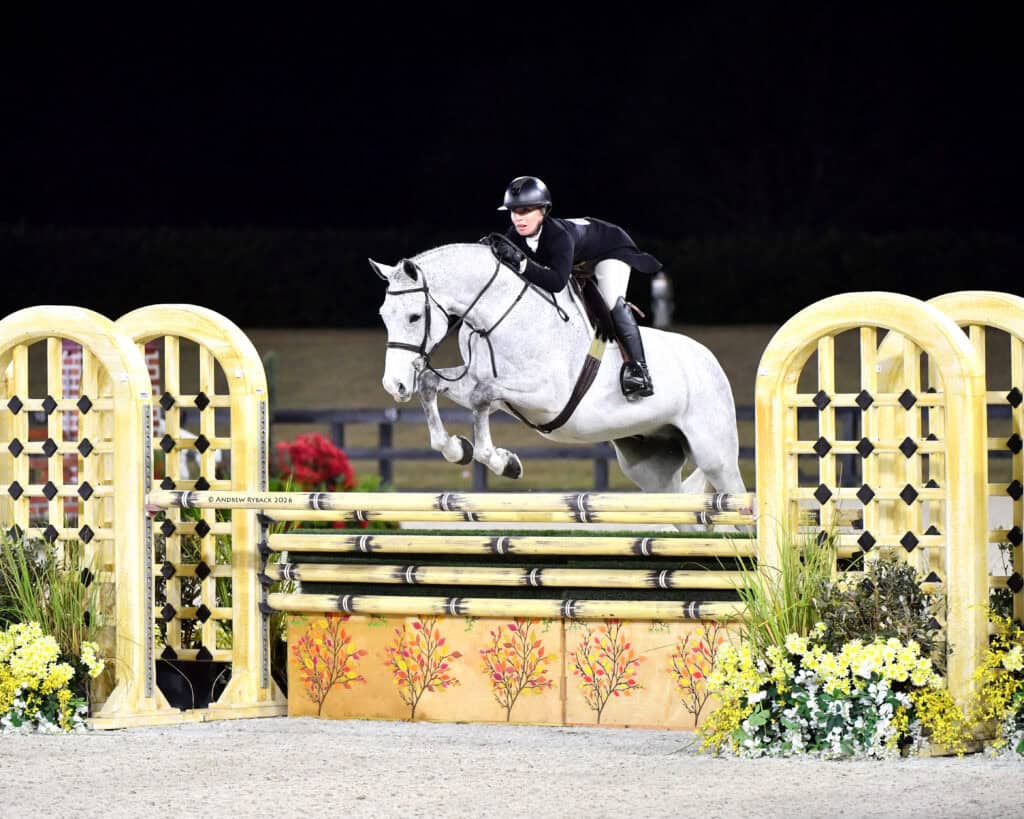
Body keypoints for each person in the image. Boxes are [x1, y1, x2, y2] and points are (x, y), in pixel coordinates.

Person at [494, 175, 660, 398]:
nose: (518, 219)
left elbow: (556, 282)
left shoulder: (559, 237)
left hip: (610, 249)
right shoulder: (516, 233)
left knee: (611, 299)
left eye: (525, 211)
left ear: (543, 211)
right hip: (581, 256)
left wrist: (522, 264)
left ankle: (639, 370)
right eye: (514, 211)